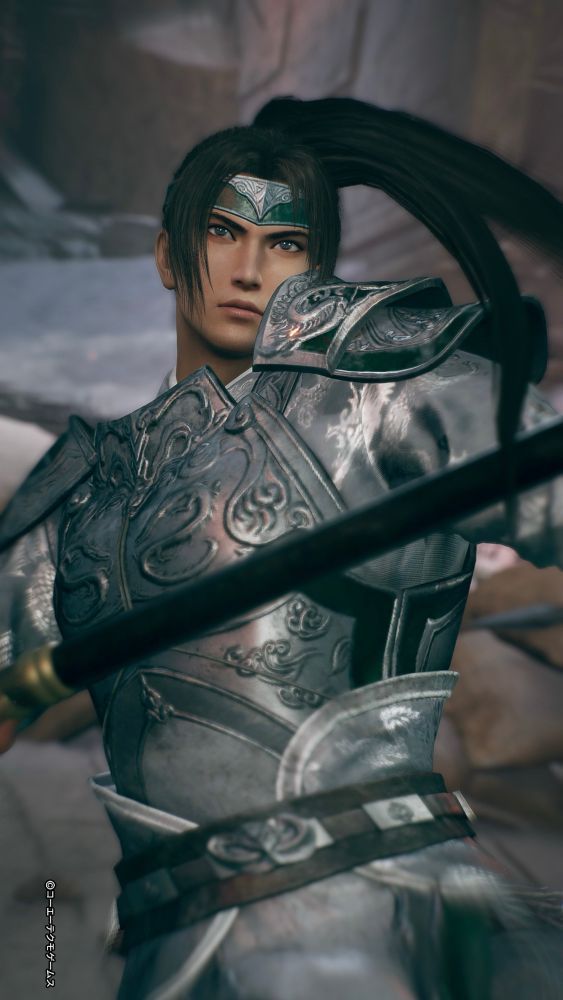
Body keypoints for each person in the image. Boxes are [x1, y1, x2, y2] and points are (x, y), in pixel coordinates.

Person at [1, 97, 563, 998]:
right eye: (223, 232)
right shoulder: (83, 484)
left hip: (369, 924)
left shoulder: (390, 396)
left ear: (315, 267)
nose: (249, 269)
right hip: (172, 947)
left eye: (286, 243)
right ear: (166, 255)